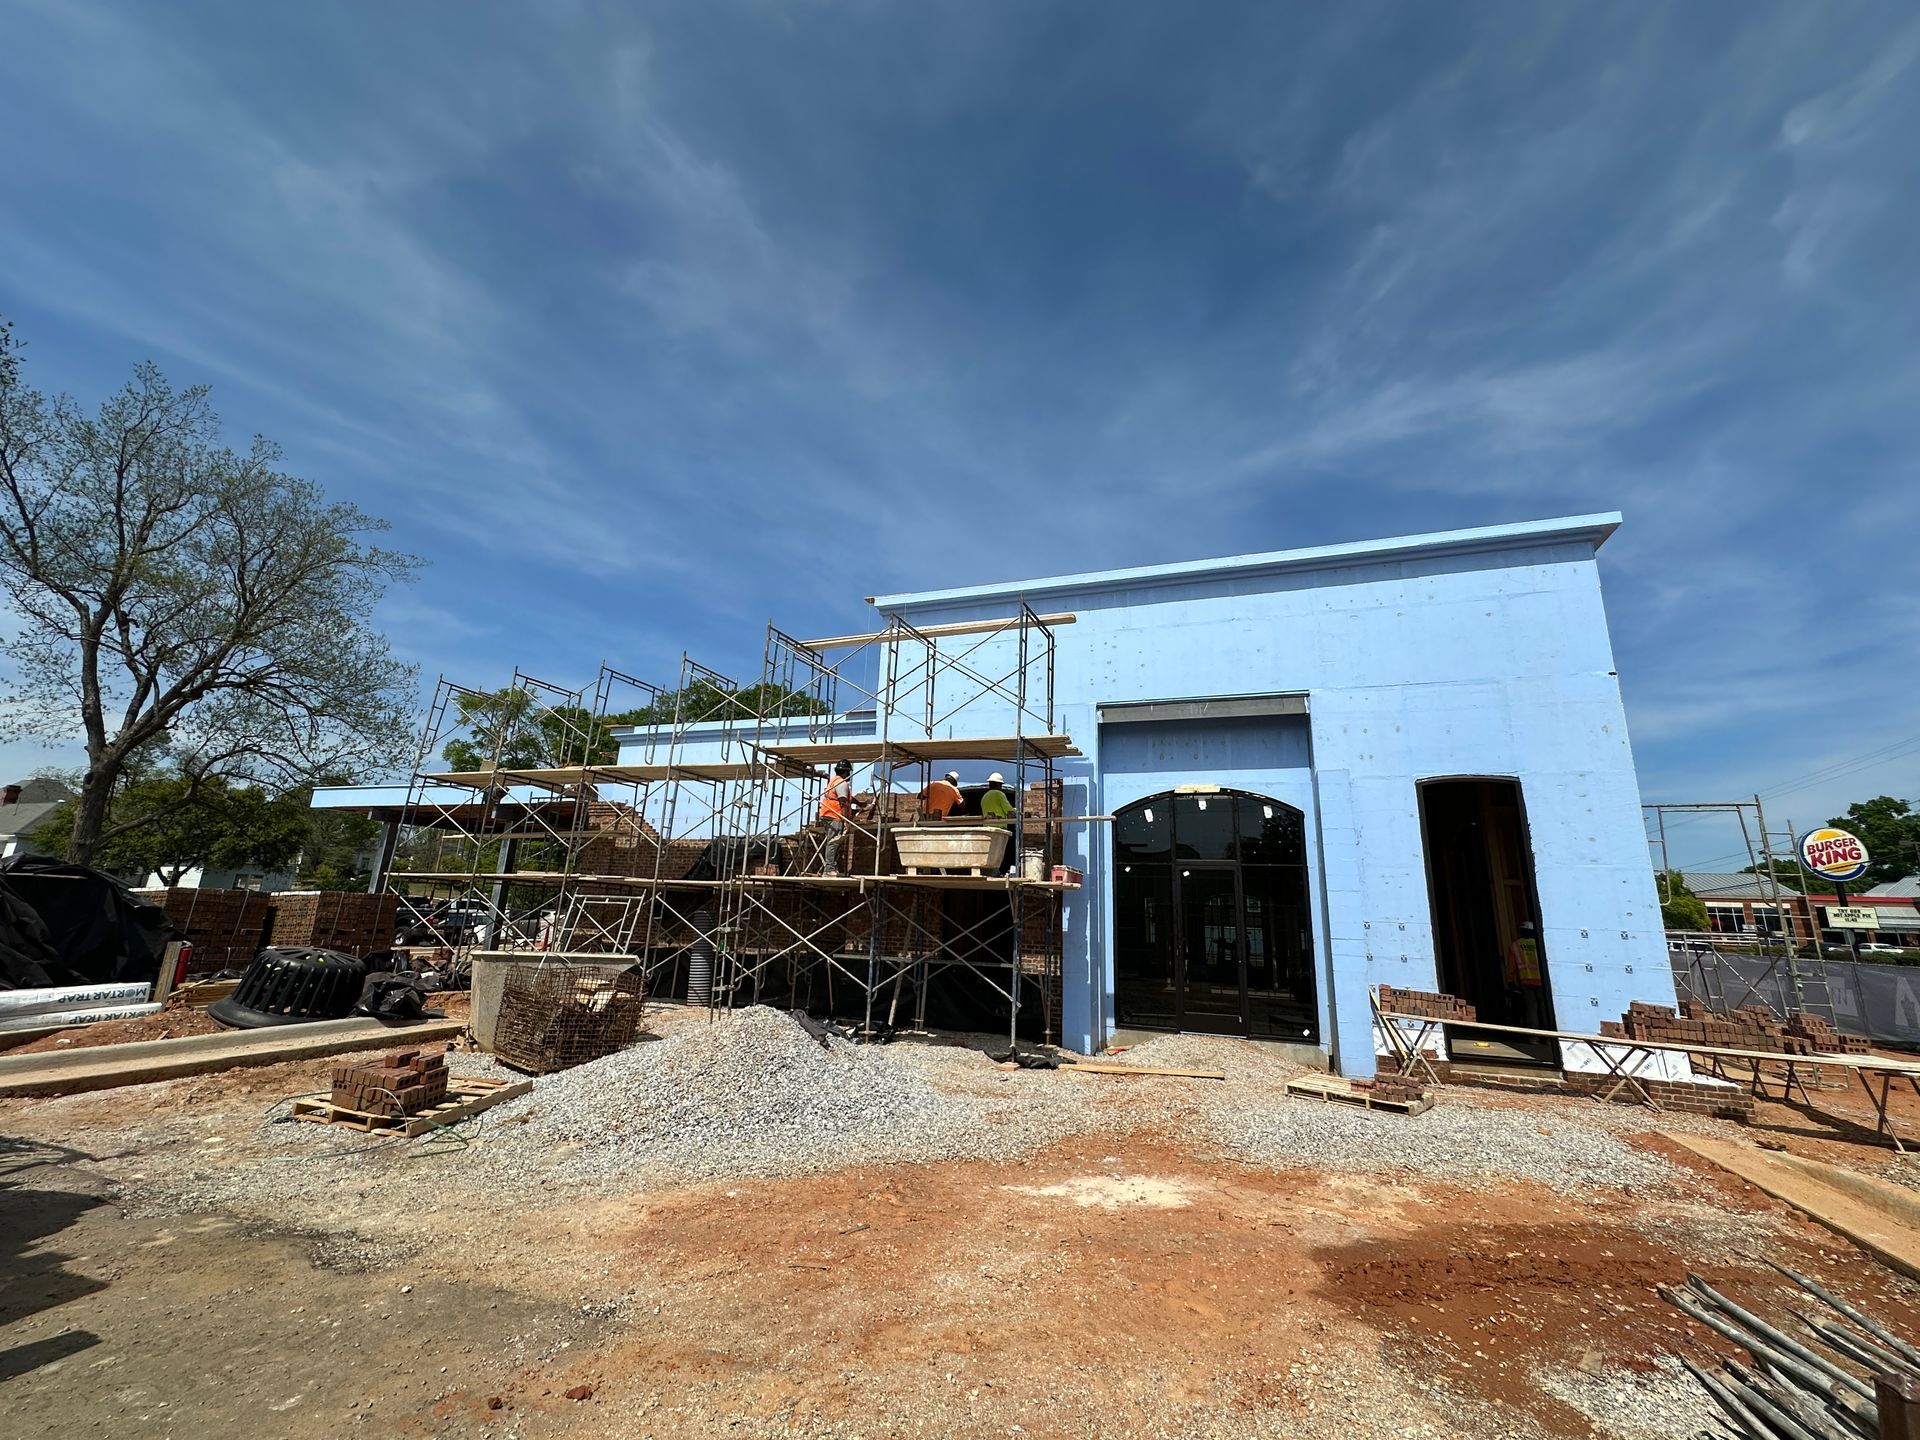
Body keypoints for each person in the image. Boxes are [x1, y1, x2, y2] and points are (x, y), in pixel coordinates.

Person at [819, 760, 857, 876]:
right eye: (849, 772)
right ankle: (829, 869)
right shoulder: (842, 783)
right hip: (835, 815)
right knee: (833, 842)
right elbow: (843, 803)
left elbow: (846, 798)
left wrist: (860, 803)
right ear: (846, 772)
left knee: (834, 842)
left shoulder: (834, 781)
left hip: (828, 814)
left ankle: (831, 868)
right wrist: (846, 821)